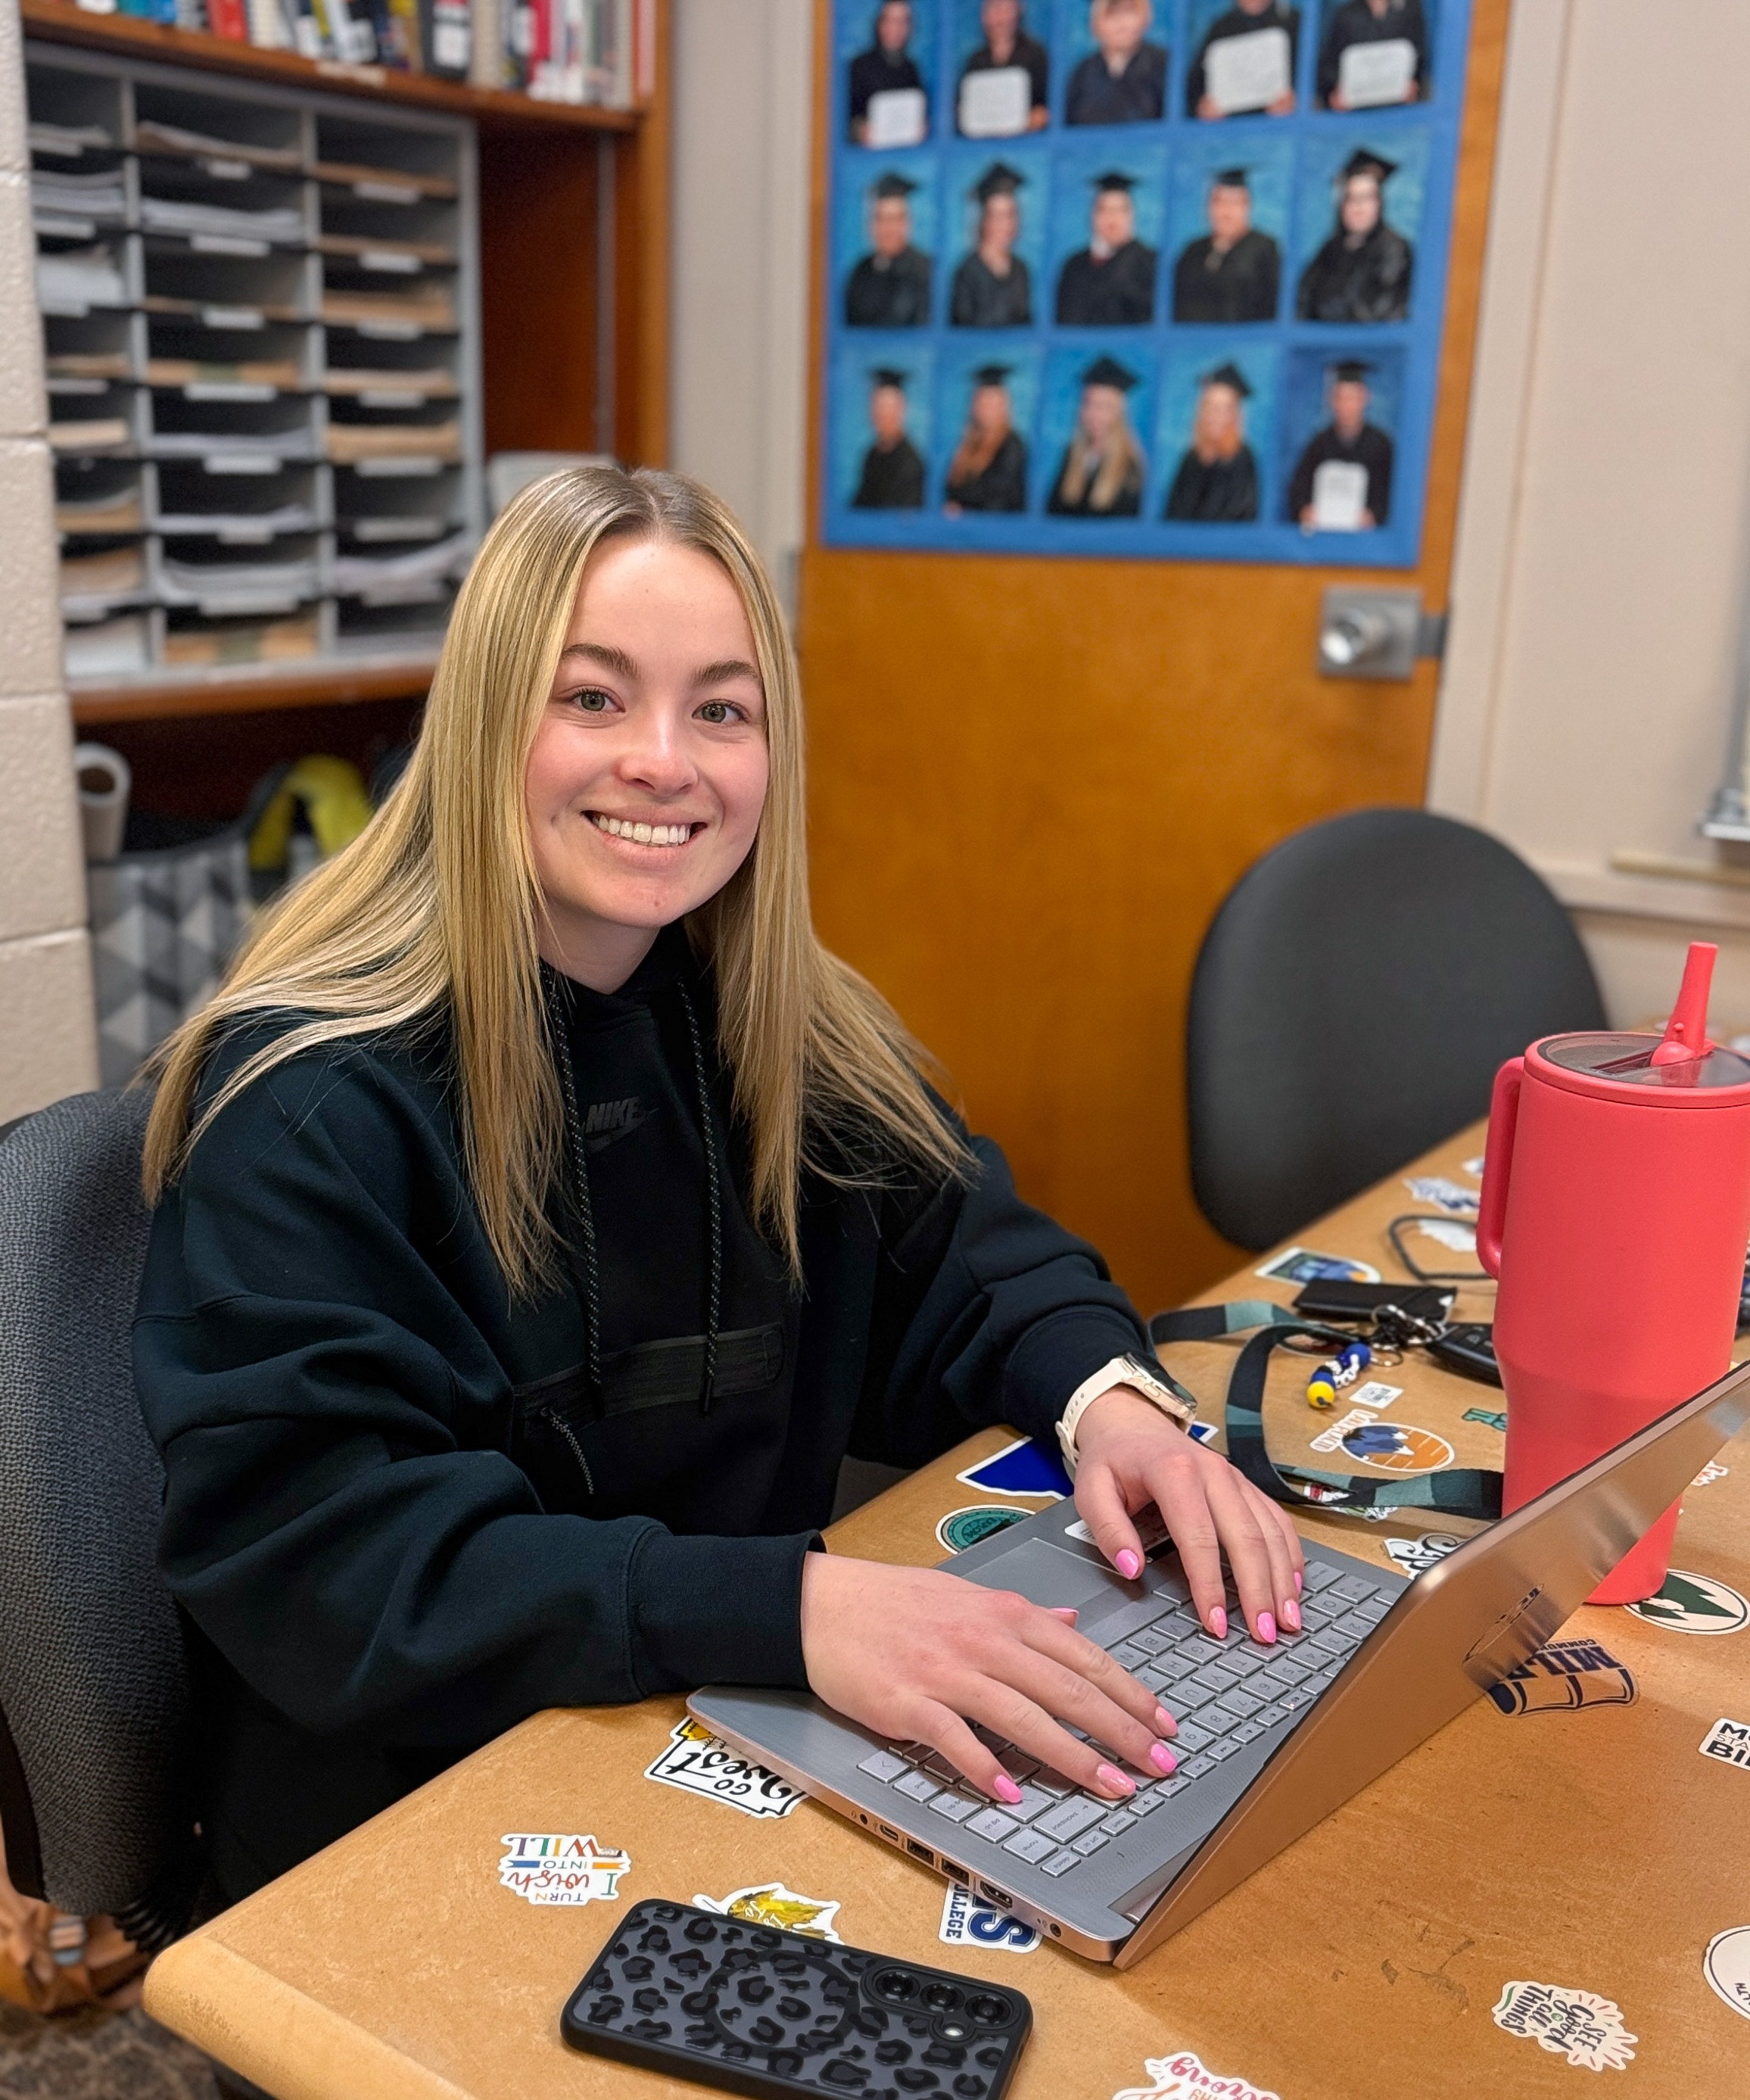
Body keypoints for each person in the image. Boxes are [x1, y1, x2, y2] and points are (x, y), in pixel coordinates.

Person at [133, 463, 1306, 1909]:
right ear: (489, 721)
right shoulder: (309, 1102)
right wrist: (795, 1607)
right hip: (406, 1821)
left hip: (709, 1726)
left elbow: (970, 1251)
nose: (664, 761)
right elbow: (342, 1564)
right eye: (593, 698)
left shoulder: (768, 1025)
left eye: (721, 708)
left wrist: (1108, 1397)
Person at [1295, 147, 1412, 323]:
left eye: (1366, 198)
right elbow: (1304, 302)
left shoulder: (1394, 250)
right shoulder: (1329, 250)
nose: (1358, 208)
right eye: (1350, 198)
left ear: (1379, 203)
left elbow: (1379, 311)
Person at [1286, 357, 1393, 526]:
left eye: (1353, 397)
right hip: (1324, 537)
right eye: (1341, 398)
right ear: (1332, 400)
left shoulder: (1382, 445)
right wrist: (1304, 510)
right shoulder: (1319, 444)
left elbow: (1391, 493)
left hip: (1367, 542)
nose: (1347, 405)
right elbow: (1299, 488)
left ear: (1364, 398)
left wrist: (1374, 515)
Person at [1171, 166, 1280, 323]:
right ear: (1209, 207)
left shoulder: (1264, 249)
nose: (1226, 212)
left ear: (1247, 206)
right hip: (1192, 344)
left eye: (1234, 203)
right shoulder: (1193, 251)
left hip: (1243, 344)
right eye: (1219, 202)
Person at [1046, 354, 1145, 517]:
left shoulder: (1131, 468)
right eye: (1089, 404)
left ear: (1118, 413)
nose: (1095, 415)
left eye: (1105, 407)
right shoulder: (1071, 455)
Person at [1054, 170, 1157, 326]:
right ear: (1093, 217)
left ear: (1131, 215)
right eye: (1104, 210)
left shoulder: (1151, 262)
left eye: (1120, 210)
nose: (1112, 219)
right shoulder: (1074, 266)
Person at [1163, 360, 1260, 521]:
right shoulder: (1191, 458)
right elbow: (1173, 512)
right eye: (1210, 407)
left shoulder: (1243, 458)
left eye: (1223, 409)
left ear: (1234, 416)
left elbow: (1241, 515)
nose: (1215, 416)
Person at [844, 170, 933, 329]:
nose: (888, 229)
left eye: (895, 219)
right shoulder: (860, 271)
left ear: (907, 224)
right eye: (881, 219)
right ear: (871, 226)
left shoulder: (926, 271)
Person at [950, 162, 1032, 328]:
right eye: (997, 216)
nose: (1006, 224)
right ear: (983, 221)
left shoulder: (1020, 269)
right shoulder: (967, 272)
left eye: (1011, 215)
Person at [1185, 0, 1301, 119]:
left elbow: (1317, 89)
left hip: (1286, 131)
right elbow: (1195, 89)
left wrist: (1300, 103)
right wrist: (1202, 107)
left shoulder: (1296, 23)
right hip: (1230, 131)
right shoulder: (1219, 30)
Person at [1065, 0, 1168, 126]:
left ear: (1145, 18)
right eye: (1111, 14)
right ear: (1095, 24)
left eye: (1129, 12)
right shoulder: (1082, 74)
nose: (1121, 23)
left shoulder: (1164, 66)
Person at [943, 364, 1029, 510]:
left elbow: (998, 492)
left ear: (1003, 406)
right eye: (982, 402)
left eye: (992, 403)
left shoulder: (1012, 444)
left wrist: (963, 506)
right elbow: (950, 487)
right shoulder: (968, 445)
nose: (986, 409)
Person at [957, 0, 1049, 134]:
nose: (1000, 17)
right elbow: (961, 110)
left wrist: (1024, 122)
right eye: (993, 8)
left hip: (1025, 145)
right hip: (982, 146)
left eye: (1005, 8)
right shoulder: (975, 61)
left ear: (1018, 10)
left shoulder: (1035, 55)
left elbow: (1044, 111)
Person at [1316, 0, 1428, 110]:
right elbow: (1329, 65)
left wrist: (1414, 84)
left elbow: (1420, 55)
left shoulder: (1411, 9)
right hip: (1356, 112)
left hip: (1399, 108)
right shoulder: (1345, 15)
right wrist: (1337, 91)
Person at [846, 0, 928, 144]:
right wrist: (860, 131)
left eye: (903, 22)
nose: (896, 28)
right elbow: (846, 116)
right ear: (879, 24)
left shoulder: (911, 69)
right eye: (891, 20)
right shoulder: (860, 67)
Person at [850, 366, 926, 509]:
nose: (881, 415)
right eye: (877, 407)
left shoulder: (910, 463)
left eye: (887, 408)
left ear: (900, 410)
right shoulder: (872, 455)